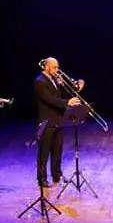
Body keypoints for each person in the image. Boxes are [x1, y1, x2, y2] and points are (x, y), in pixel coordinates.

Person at [34, 57, 83, 187]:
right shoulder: (40, 81)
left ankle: (57, 175)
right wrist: (67, 102)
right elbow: (49, 99)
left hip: (58, 120)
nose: (57, 70)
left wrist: (63, 86)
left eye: (57, 67)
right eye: (55, 68)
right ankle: (42, 178)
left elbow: (58, 97)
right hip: (47, 121)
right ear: (47, 67)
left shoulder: (54, 79)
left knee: (57, 150)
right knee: (44, 152)